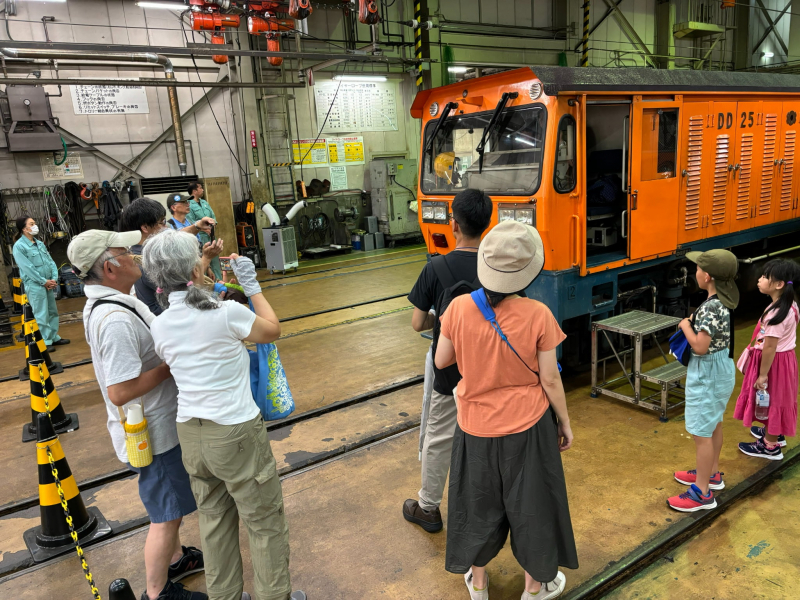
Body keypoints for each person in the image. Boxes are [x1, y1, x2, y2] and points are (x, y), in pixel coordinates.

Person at [142, 228, 306, 600]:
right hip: (234, 432)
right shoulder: (227, 312)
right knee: (264, 524)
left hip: (191, 433)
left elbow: (190, 315)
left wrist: (207, 281)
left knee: (214, 523)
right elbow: (271, 330)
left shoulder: (161, 322)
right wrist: (251, 286)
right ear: (195, 270)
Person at [435, 220, 578, 600]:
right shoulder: (539, 314)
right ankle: (535, 587)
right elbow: (550, 379)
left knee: (476, 505)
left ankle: (478, 584)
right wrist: (564, 423)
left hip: (474, 426)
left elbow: (441, 360)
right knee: (533, 505)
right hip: (528, 427)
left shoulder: (459, 308)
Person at [67, 229, 206, 600]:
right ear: (111, 267)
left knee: (172, 504)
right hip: (153, 433)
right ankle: (158, 592)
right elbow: (119, 391)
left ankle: (176, 559)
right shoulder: (113, 319)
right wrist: (169, 366)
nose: (135, 256)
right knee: (167, 514)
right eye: (126, 252)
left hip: (159, 423)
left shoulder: (119, 300)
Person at [403, 189, 493, 533]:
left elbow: (417, 323)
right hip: (489, 366)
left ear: (454, 224)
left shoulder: (436, 267)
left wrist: (442, 321)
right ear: (487, 225)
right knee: (486, 434)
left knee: (439, 435)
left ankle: (428, 508)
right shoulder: (497, 268)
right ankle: (483, 505)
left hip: (447, 368)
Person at [669, 249, 738, 512]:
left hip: (708, 373)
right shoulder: (724, 300)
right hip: (720, 368)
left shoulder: (710, 307)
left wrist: (685, 324)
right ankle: (710, 473)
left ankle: (702, 493)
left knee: (701, 433)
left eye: (697, 268)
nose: (694, 272)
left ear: (707, 276)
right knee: (714, 424)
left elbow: (699, 346)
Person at [735, 258, 800, 460]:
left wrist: (762, 375)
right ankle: (775, 432)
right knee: (777, 398)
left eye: (764, 277)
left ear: (779, 285)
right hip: (785, 359)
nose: (759, 280)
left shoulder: (776, 314)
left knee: (771, 399)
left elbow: (770, 346)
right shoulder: (791, 305)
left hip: (774, 363)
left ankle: (770, 447)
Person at [120, 198, 220, 315]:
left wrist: (197, 226)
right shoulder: (150, 261)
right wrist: (206, 258)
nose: (166, 227)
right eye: (162, 222)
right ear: (145, 228)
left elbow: (176, 236)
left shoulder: (139, 252)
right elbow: (190, 282)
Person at [12, 215, 69, 349]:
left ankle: (54, 337)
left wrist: (54, 279)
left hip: (48, 283)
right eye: (32, 224)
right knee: (41, 313)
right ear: (24, 229)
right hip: (36, 285)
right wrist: (43, 281)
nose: (35, 225)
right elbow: (27, 268)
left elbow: (50, 261)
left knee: (52, 311)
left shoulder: (39, 243)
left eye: (34, 223)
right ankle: (45, 341)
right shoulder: (19, 247)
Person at [166, 194, 218, 282]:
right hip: (183, 271)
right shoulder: (169, 226)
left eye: (187, 202)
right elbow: (176, 237)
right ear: (173, 208)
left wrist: (208, 267)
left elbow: (199, 248)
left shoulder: (191, 223)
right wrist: (197, 226)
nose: (187, 204)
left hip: (198, 266)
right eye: (183, 202)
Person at [187, 182, 222, 281]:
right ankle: (206, 283)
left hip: (211, 235)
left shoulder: (204, 203)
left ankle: (218, 282)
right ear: (194, 191)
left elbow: (212, 216)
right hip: (200, 237)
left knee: (215, 259)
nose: (202, 190)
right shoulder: (189, 205)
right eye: (200, 188)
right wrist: (203, 228)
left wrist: (213, 225)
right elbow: (191, 222)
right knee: (204, 261)